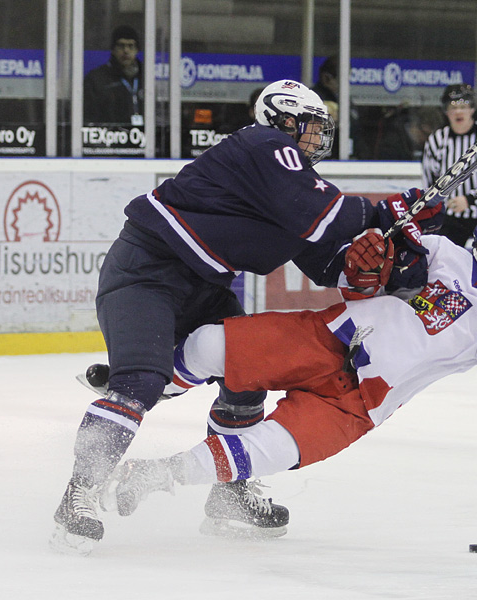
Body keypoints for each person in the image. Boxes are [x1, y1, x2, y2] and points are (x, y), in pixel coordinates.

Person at [51, 79, 429, 555]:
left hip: (205, 287)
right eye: (311, 128)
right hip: (147, 271)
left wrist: (389, 256)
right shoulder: (262, 144)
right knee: (140, 382)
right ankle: (78, 493)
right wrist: (388, 208)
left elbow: (332, 265)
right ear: (283, 119)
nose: (317, 139)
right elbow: (326, 213)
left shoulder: (292, 181)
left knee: (247, 373)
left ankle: (227, 495)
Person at [93, 207, 477, 539]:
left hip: (357, 404)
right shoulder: (441, 252)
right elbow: (361, 282)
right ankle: (147, 380)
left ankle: (155, 475)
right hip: (328, 337)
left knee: (267, 449)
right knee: (215, 344)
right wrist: (373, 258)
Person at [422, 84, 477, 248]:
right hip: (450, 220)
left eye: (463, 106)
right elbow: (430, 181)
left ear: (472, 109)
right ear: (446, 111)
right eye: (452, 107)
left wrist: (470, 199)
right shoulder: (437, 139)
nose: (458, 112)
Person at [84, 25, 144, 125]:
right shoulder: (96, 79)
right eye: (121, 46)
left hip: (142, 137)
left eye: (131, 46)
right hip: (110, 137)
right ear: (113, 49)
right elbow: (89, 116)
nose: (126, 51)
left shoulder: (145, 77)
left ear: (137, 50)